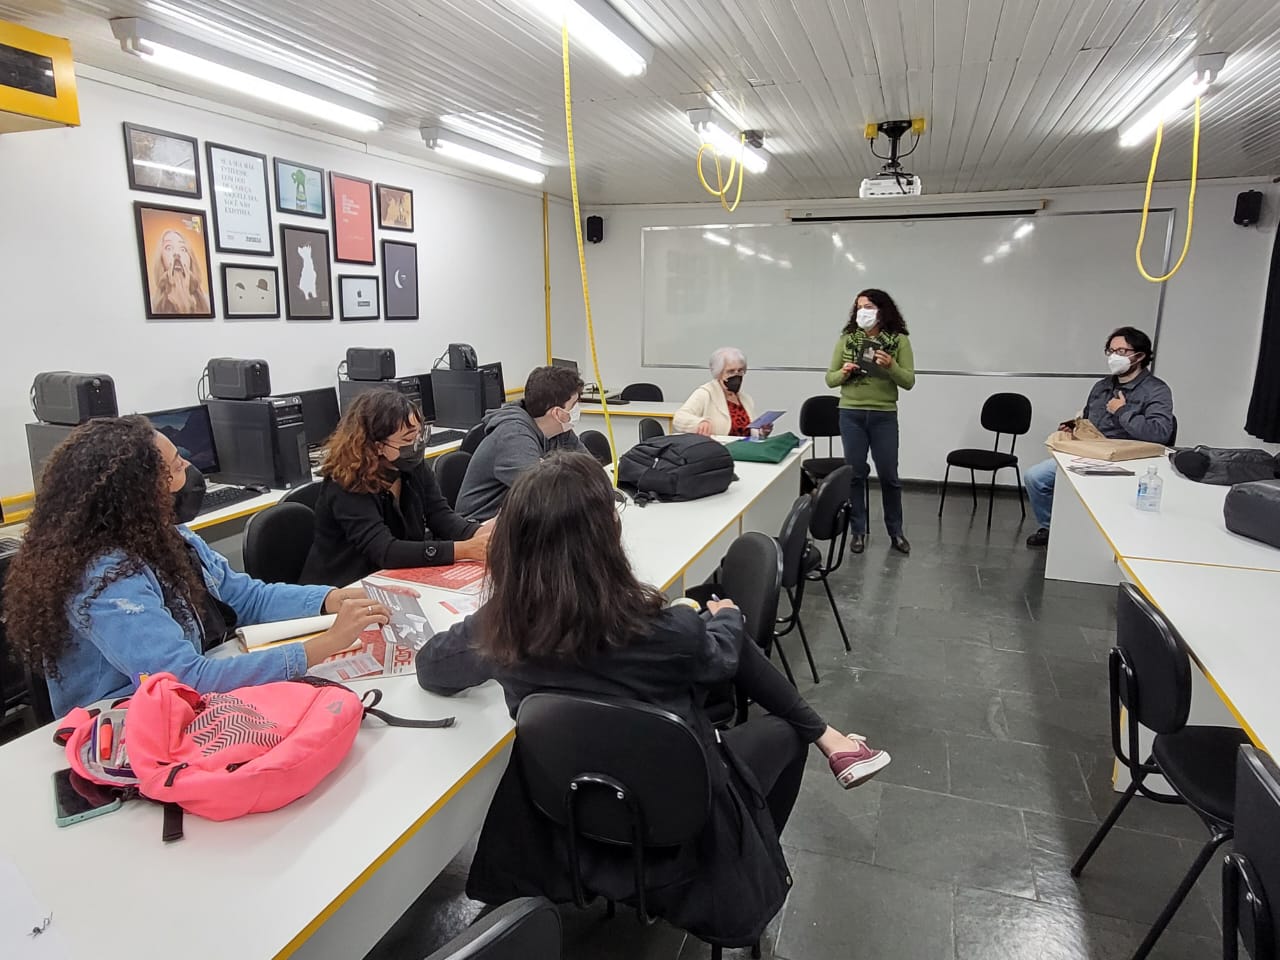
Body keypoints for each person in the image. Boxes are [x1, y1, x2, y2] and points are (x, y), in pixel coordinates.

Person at [416, 452, 889, 942]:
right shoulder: (668, 630)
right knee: (784, 732)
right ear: (606, 539)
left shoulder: (502, 628)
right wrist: (727, 616)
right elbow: (723, 658)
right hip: (682, 819)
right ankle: (758, 840)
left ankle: (825, 739)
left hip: (568, 814)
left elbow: (432, 667)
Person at [3, 417, 390, 716]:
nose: (188, 467)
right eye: (174, 466)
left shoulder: (170, 535)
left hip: (195, 690)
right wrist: (323, 646)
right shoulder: (105, 577)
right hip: (124, 722)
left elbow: (244, 596)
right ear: (138, 492)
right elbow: (184, 679)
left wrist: (331, 599)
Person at [300, 390, 490, 585]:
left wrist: (479, 534)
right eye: (408, 440)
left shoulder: (411, 466)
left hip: (394, 577)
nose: (417, 445)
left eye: (419, 435)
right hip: (344, 586)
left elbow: (440, 516)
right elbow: (385, 551)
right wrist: (464, 549)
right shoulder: (346, 482)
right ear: (377, 446)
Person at [1024, 326, 1174, 547]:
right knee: (1035, 477)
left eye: (1122, 351)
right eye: (1111, 351)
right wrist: (1074, 427)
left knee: (1090, 489)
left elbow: (1160, 434)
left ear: (1140, 355)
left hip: (1128, 461)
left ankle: (1100, 538)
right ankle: (1051, 528)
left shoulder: (1156, 390)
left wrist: (1122, 411)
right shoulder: (1102, 386)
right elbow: (1088, 419)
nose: (1114, 356)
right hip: (1090, 452)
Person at [824, 288, 916, 555]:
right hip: (850, 413)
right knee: (855, 474)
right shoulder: (847, 340)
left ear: (882, 310)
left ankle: (895, 532)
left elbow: (909, 381)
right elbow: (830, 379)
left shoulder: (899, 341)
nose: (862, 312)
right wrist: (843, 372)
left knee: (889, 475)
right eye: (858, 307)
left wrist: (891, 366)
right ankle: (858, 532)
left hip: (883, 415)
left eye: (868, 307)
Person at [455, 365, 586, 521]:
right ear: (557, 413)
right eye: (574, 404)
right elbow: (543, 495)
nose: (578, 409)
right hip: (481, 526)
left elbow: (589, 469)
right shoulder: (513, 436)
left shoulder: (560, 430)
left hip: (522, 518)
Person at [673, 346, 760, 437]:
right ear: (718, 373)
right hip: (718, 448)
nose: (736, 375)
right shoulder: (705, 393)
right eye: (731, 371)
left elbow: (750, 430)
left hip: (744, 448)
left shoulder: (745, 399)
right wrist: (699, 423)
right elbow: (679, 418)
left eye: (740, 371)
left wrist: (760, 432)